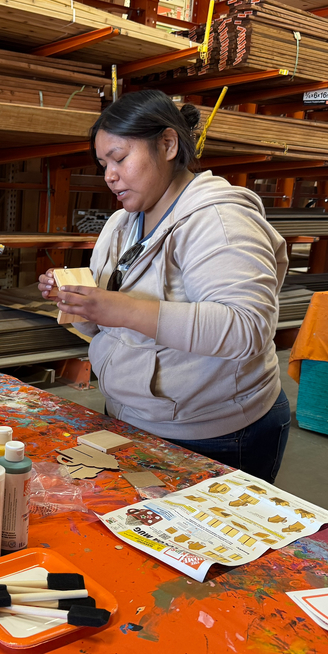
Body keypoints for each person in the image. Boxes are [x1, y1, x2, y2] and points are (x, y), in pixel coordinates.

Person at [38, 90, 291, 482]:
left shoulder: (220, 220)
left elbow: (247, 327)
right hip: (131, 416)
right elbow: (104, 325)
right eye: (104, 163)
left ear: (168, 144)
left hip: (216, 433)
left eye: (120, 159)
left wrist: (117, 308)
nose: (109, 175)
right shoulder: (121, 224)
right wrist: (78, 299)